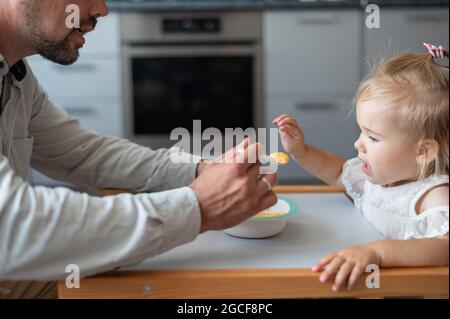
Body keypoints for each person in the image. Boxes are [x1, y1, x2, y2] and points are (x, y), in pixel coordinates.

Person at [0, 0, 278, 297]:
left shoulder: (16, 75)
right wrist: (198, 207)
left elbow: (86, 154)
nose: (101, 10)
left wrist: (200, 170)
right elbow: (12, 226)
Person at [273, 48, 449, 292]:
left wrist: (377, 252)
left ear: (424, 152)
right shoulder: (379, 177)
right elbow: (337, 173)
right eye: (361, 132)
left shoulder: (433, 195)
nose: (358, 144)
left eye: (373, 137)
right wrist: (300, 151)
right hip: (371, 285)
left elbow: (444, 247)